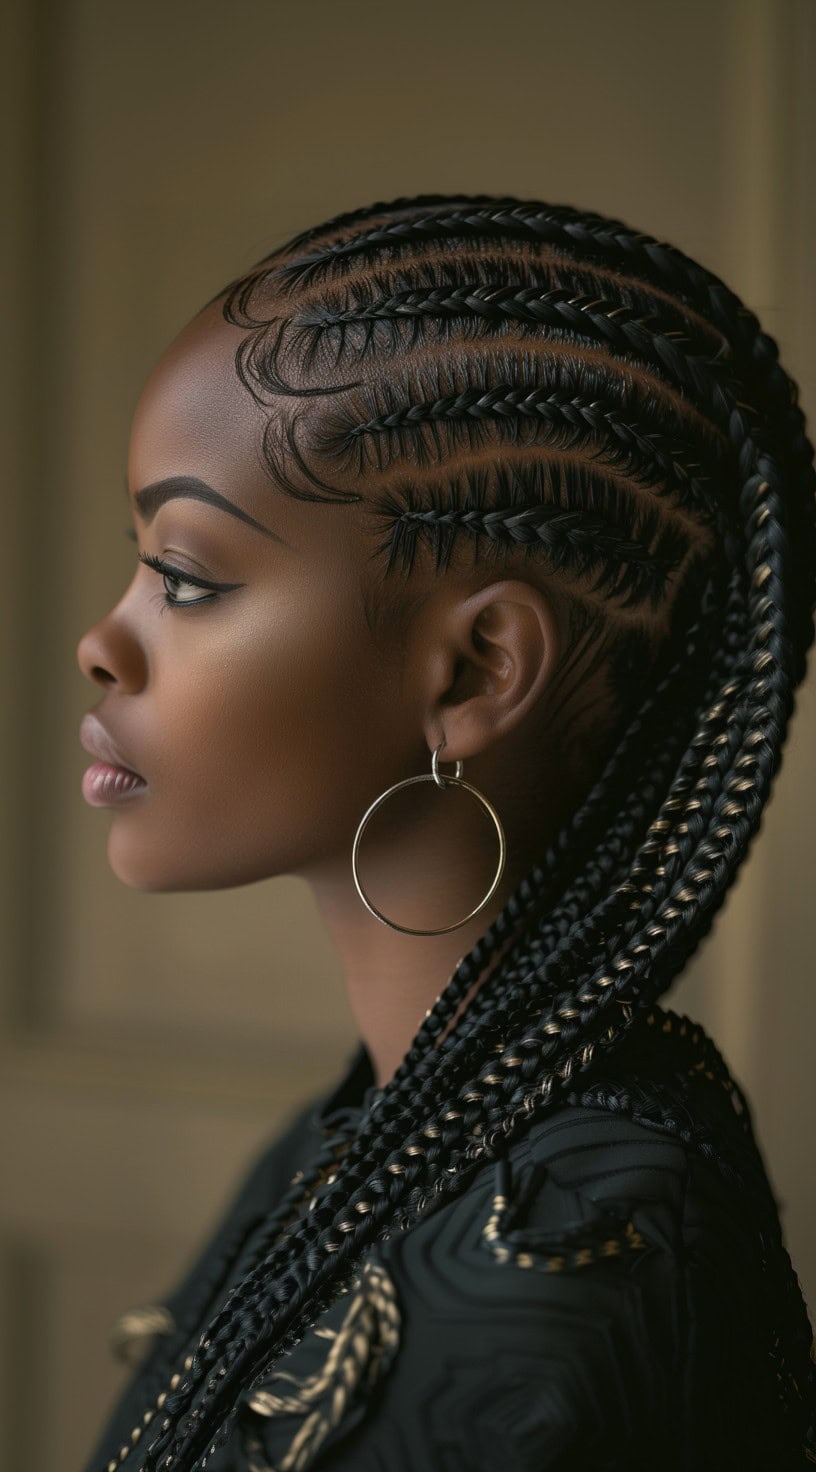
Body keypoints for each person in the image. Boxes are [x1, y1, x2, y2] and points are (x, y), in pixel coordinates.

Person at [76, 193, 816, 1471]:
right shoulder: (376, 1125)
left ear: (475, 672)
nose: (102, 641)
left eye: (185, 577)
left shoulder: (581, 1240)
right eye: (136, 562)